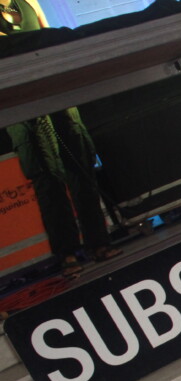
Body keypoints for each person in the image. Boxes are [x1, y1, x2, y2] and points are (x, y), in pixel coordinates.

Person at [2, 0, 122, 277]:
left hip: (55, 90)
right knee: (47, 178)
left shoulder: (28, 2)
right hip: (20, 103)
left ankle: (99, 243)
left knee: (79, 164)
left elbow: (51, 40)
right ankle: (67, 252)